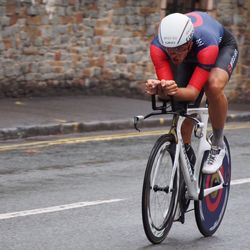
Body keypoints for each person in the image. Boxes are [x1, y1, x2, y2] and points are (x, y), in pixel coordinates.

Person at [146, 11, 239, 174]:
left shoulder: (207, 45)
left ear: (188, 44)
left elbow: (192, 93)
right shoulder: (157, 48)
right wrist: (159, 88)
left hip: (220, 48)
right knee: (181, 110)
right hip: (191, 56)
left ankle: (217, 143)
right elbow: (171, 90)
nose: (174, 55)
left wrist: (169, 90)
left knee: (212, 86)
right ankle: (187, 169)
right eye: (170, 51)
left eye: (179, 50)